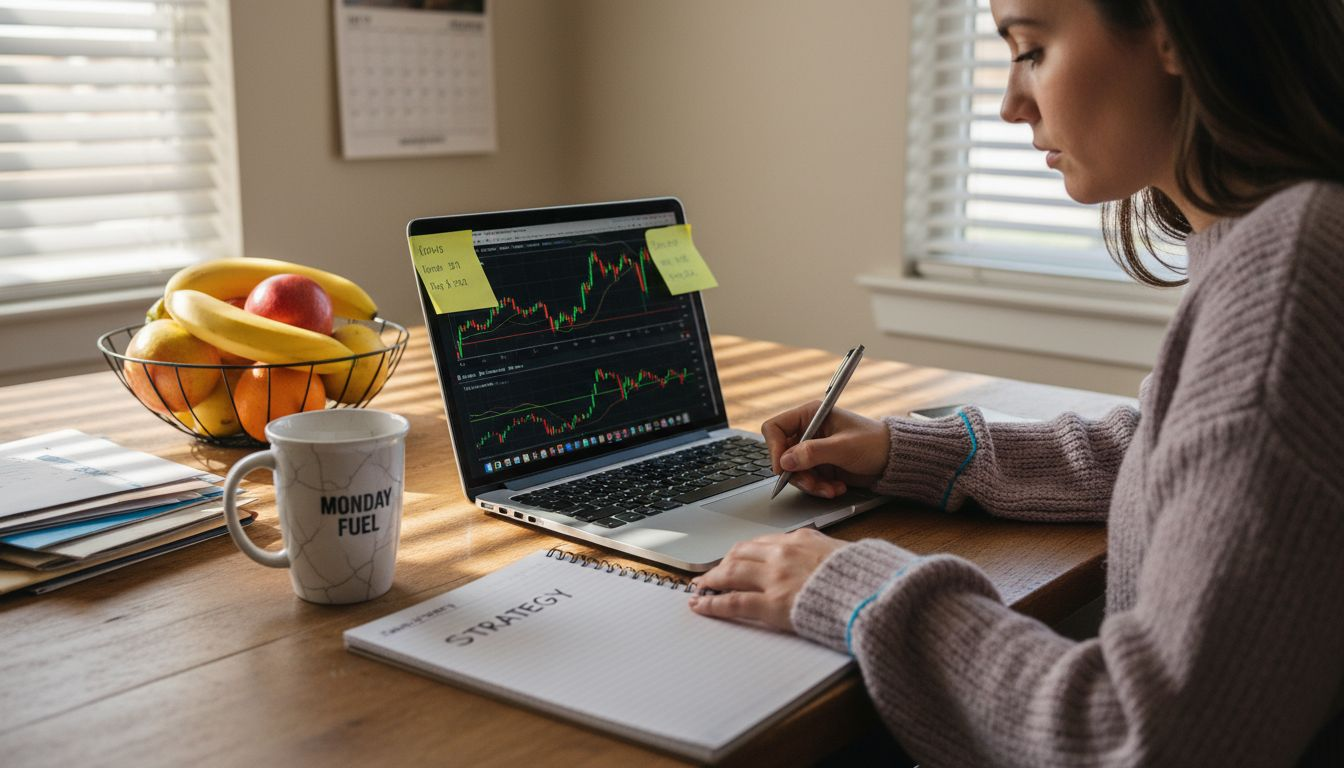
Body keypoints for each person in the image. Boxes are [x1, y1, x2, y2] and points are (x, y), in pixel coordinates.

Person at [688, 0, 1344, 764]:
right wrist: (910, 450)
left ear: (1171, 30)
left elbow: (1141, 740)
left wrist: (853, 590)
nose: (1009, 103)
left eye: (1030, 49)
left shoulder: (1288, 284)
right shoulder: (1288, 240)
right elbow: (1184, 449)